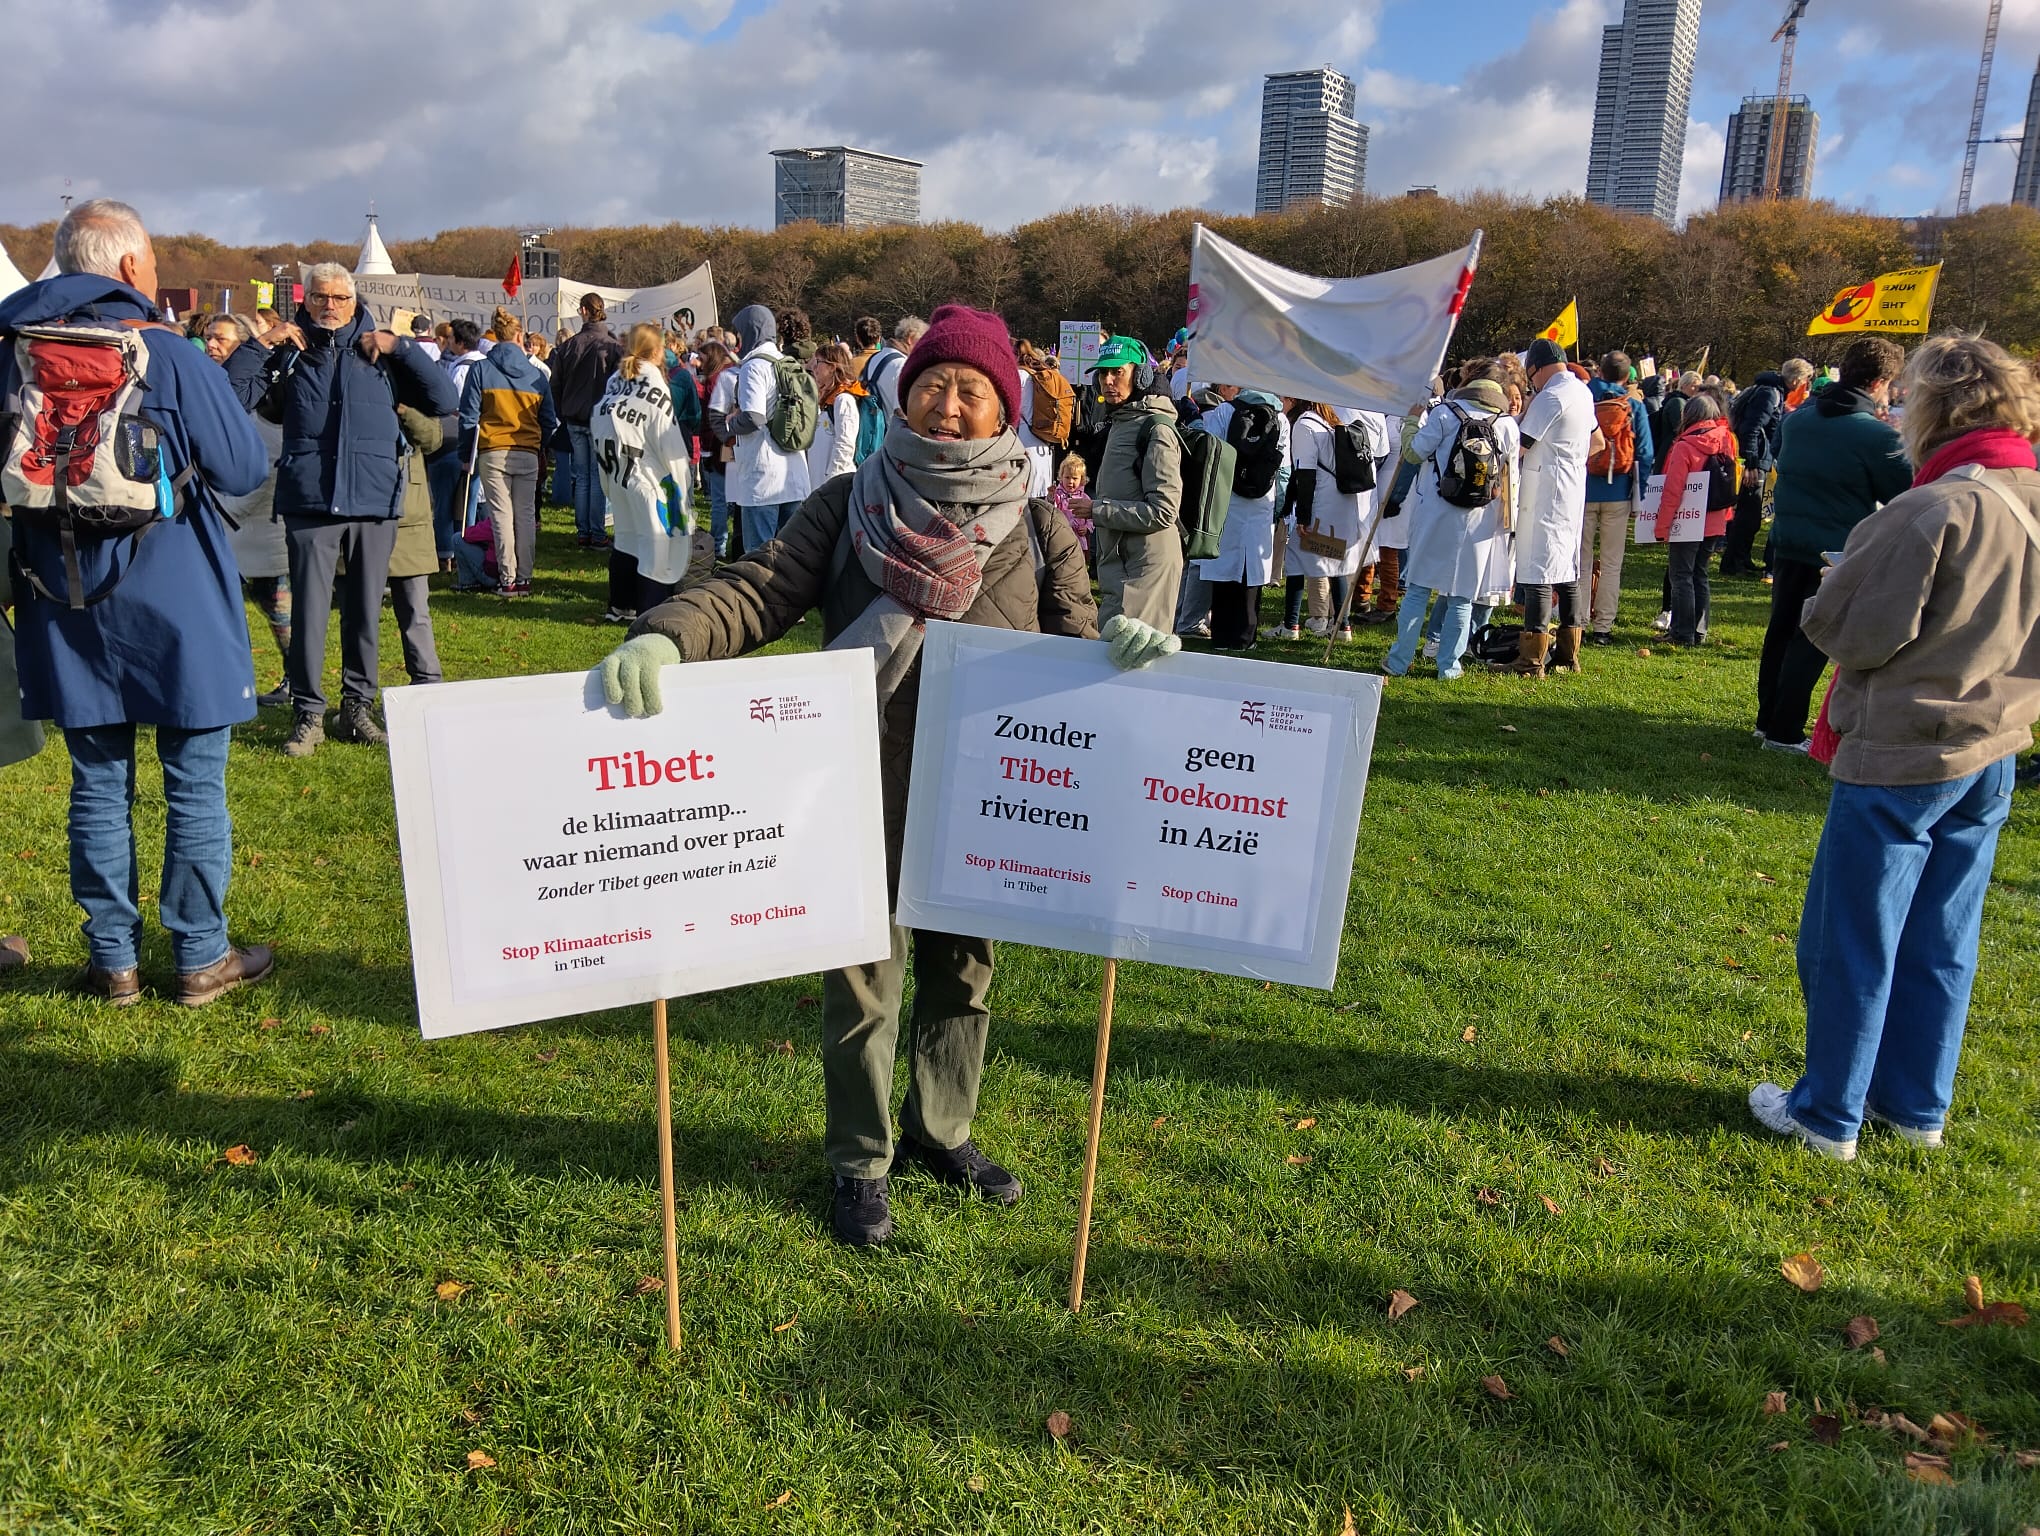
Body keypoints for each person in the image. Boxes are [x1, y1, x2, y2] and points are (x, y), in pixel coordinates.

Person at [593, 304, 1175, 1248]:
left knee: (963, 974)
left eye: (972, 391)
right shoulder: (853, 496)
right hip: (860, 773)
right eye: (935, 385)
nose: (950, 405)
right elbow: (761, 586)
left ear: (1004, 410)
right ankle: (860, 1163)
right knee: (864, 982)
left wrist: (1127, 643)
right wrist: (668, 631)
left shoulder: (1035, 516)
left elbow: (1079, 633)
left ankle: (942, 1132)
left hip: (987, 790)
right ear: (907, 395)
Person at [1749, 334, 2040, 1161]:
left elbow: (1850, 631)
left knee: (1854, 936)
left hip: (1906, 749)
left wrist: (1842, 580)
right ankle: (1916, 1106)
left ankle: (1829, 1112)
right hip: (1994, 745)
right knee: (1945, 935)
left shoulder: (1934, 508)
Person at [3, 199, 273, 1004]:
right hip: (175, 588)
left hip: (63, 590)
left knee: (97, 781)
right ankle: (200, 955)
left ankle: (113, 960)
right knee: (193, 780)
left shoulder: (14, 350)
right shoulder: (168, 351)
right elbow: (242, 468)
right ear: (128, 266)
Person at [244, 262, 458, 758]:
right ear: (307, 298)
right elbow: (233, 395)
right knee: (312, 613)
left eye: (340, 298)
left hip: (374, 499)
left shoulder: (379, 351)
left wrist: (401, 348)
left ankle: (356, 709)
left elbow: (445, 400)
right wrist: (262, 344)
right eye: (321, 297)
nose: (330, 306)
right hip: (310, 499)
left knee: (363, 613)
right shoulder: (292, 352)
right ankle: (308, 714)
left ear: (354, 299)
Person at [1754, 336, 1911, 752]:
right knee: (1812, 639)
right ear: (1879, 383)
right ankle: (1784, 731)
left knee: (1781, 630)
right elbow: (1902, 491)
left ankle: (1766, 718)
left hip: (1788, 539)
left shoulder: (1798, 421)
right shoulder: (1876, 436)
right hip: (1835, 548)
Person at [1384, 374, 1519, 679]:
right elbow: (1511, 477)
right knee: (1462, 598)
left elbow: (1413, 453)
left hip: (1436, 513)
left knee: (1418, 589)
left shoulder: (1445, 414)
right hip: (1481, 520)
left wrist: (1410, 422)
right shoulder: (1508, 425)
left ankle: (1399, 661)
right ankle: (1449, 666)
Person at [595, 321, 712, 618]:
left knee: (626, 539)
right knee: (655, 545)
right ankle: (651, 610)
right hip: (647, 478)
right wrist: (682, 484)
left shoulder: (613, 383)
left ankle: (621, 604)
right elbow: (668, 442)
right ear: (658, 350)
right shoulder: (653, 386)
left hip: (617, 472)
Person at [202, 312, 290, 706]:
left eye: (220, 338)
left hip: (260, 520)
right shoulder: (209, 387)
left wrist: (227, 511)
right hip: (222, 518)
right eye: (207, 337)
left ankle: (297, 681)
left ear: (245, 343)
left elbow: (269, 459)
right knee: (218, 611)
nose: (211, 345)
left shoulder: (266, 393)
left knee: (280, 611)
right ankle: (227, 682)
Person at [1510, 337, 1598, 677]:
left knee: (1539, 570)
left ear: (1537, 369)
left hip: (1544, 491)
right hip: (1573, 487)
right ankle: (1568, 654)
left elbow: (1521, 445)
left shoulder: (1551, 397)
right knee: (1567, 569)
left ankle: (1532, 659)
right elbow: (1597, 441)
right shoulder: (1583, 392)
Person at [459, 309, 558, 601]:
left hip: (493, 452)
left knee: (501, 517)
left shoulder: (480, 370)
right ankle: (524, 577)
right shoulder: (537, 375)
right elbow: (549, 420)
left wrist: (466, 454)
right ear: (518, 336)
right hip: (526, 451)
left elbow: (467, 418)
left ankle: (508, 579)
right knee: (525, 517)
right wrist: (540, 445)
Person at [1088, 335, 1185, 632]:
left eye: (1118, 371)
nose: (1108, 380)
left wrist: (1097, 510)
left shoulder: (1155, 428)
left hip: (1144, 571)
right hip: (1123, 567)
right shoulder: (1123, 421)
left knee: (1127, 666)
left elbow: (1164, 511)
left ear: (1140, 375)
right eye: (1103, 373)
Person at [1275, 402, 1387, 641]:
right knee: (1336, 564)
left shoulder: (1305, 425)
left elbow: (1305, 473)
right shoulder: (1330, 420)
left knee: (1295, 562)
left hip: (1320, 503)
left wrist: (1302, 516)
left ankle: (1290, 625)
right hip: (1342, 502)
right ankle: (1342, 626)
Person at [1195, 385, 1290, 649]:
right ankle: (1246, 636)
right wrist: (1277, 507)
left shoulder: (1223, 412)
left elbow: (1209, 457)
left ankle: (1221, 635)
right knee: (1253, 572)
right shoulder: (1281, 419)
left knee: (1224, 566)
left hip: (1227, 498)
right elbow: (1284, 470)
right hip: (1262, 501)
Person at [1652, 393, 1736, 647]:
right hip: (1714, 520)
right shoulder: (1726, 440)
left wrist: (1662, 526)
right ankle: (1699, 631)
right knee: (1700, 574)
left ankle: (1682, 632)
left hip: (1687, 521)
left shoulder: (1685, 445)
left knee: (1681, 576)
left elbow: (1673, 490)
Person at [1581, 350, 1654, 644]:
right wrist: (1641, 493)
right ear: (1627, 377)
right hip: (1619, 492)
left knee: (1581, 561)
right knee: (1612, 563)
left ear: (1599, 371)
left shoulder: (1584, 398)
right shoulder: (1632, 405)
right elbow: (1645, 454)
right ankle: (1603, 627)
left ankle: (1578, 621)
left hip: (1583, 490)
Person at [726, 304, 811, 552]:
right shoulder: (786, 362)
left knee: (759, 558)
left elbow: (753, 417)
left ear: (751, 331)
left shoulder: (754, 366)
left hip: (762, 478)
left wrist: (730, 422)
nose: (738, 340)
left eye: (740, 333)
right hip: (794, 476)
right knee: (790, 559)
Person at [551, 292, 624, 548]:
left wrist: (563, 411)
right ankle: (595, 532)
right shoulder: (613, 346)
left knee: (582, 476)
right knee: (595, 476)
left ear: (583, 311)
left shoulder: (569, 345)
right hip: (598, 419)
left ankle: (585, 531)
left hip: (575, 417)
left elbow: (555, 384)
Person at [389, 405, 447, 683]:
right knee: (358, 619)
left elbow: (433, 438)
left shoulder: (410, 380)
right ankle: (357, 700)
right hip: (359, 513)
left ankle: (428, 685)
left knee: (415, 611)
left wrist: (405, 410)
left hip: (408, 517)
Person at [1721, 367, 1786, 576]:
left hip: (1756, 457)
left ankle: (1741, 558)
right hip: (1754, 461)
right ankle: (1734, 563)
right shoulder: (1769, 394)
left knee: (1749, 514)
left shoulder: (1761, 390)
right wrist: (1751, 464)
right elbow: (1752, 429)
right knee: (1748, 515)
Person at [696, 337, 735, 558]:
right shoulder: (730, 374)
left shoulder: (715, 381)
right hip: (727, 442)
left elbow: (713, 420)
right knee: (731, 496)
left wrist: (707, 450)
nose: (699, 364)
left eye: (702, 359)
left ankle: (718, 544)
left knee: (719, 498)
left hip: (719, 444)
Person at [805, 341, 862, 489]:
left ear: (832, 367)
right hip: (819, 485)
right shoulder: (825, 400)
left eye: (818, 362)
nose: (814, 367)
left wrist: (832, 480)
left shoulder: (844, 400)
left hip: (836, 486)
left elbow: (845, 444)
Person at [861, 315, 925, 419]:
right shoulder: (903, 365)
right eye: (921, 341)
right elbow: (901, 412)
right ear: (910, 338)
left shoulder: (874, 358)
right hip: (889, 431)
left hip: (870, 429)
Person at [1049, 455, 1093, 555]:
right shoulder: (1057, 495)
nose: (1070, 481)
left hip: (1079, 538)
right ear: (1061, 477)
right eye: (1067, 477)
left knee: (1079, 561)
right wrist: (1050, 496)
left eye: (1074, 478)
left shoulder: (1084, 498)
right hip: (1060, 536)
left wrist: (1087, 528)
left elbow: (1091, 517)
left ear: (1081, 479)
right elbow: (1050, 507)